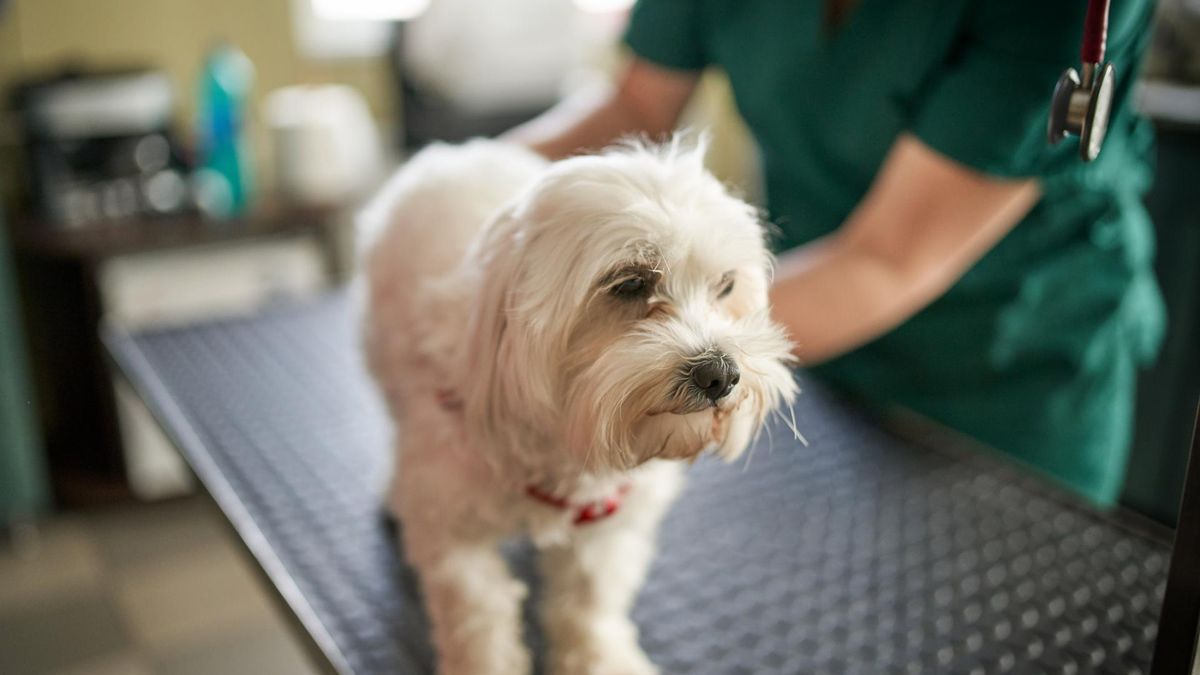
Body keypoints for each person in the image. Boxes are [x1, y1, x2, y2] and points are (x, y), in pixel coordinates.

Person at [504, 0, 1164, 506]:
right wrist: (456, 193)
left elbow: (888, 259)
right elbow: (633, 102)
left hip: (1012, 375)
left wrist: (636, 365)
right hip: (807, 358)